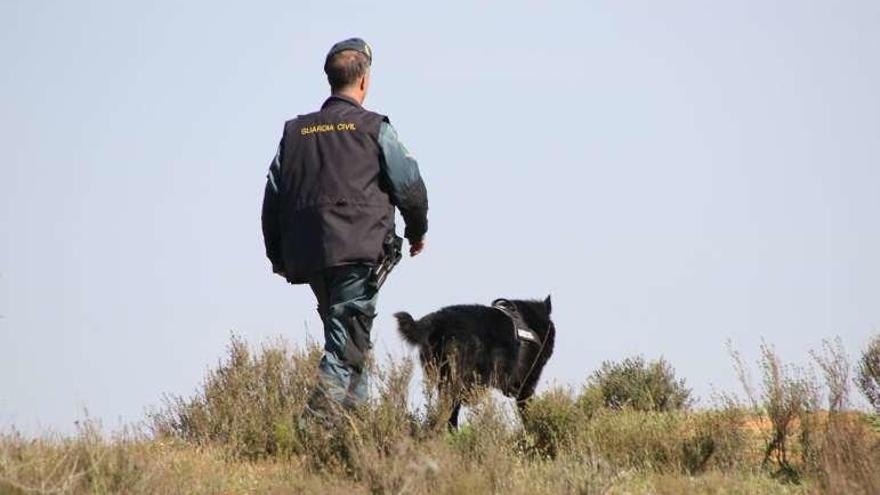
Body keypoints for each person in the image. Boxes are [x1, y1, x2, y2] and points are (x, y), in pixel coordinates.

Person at [261, 38, 428, 414]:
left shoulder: (294, 134)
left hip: (309, 257)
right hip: (357, 252)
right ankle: (312, 427)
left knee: (352, 341)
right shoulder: (374, 128)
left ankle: (353, 435)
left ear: (330, 80)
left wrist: (279, 256)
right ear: (364, 81)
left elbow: (271, 200)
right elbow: (411, 187)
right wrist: (417, 233)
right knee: (344, 348)